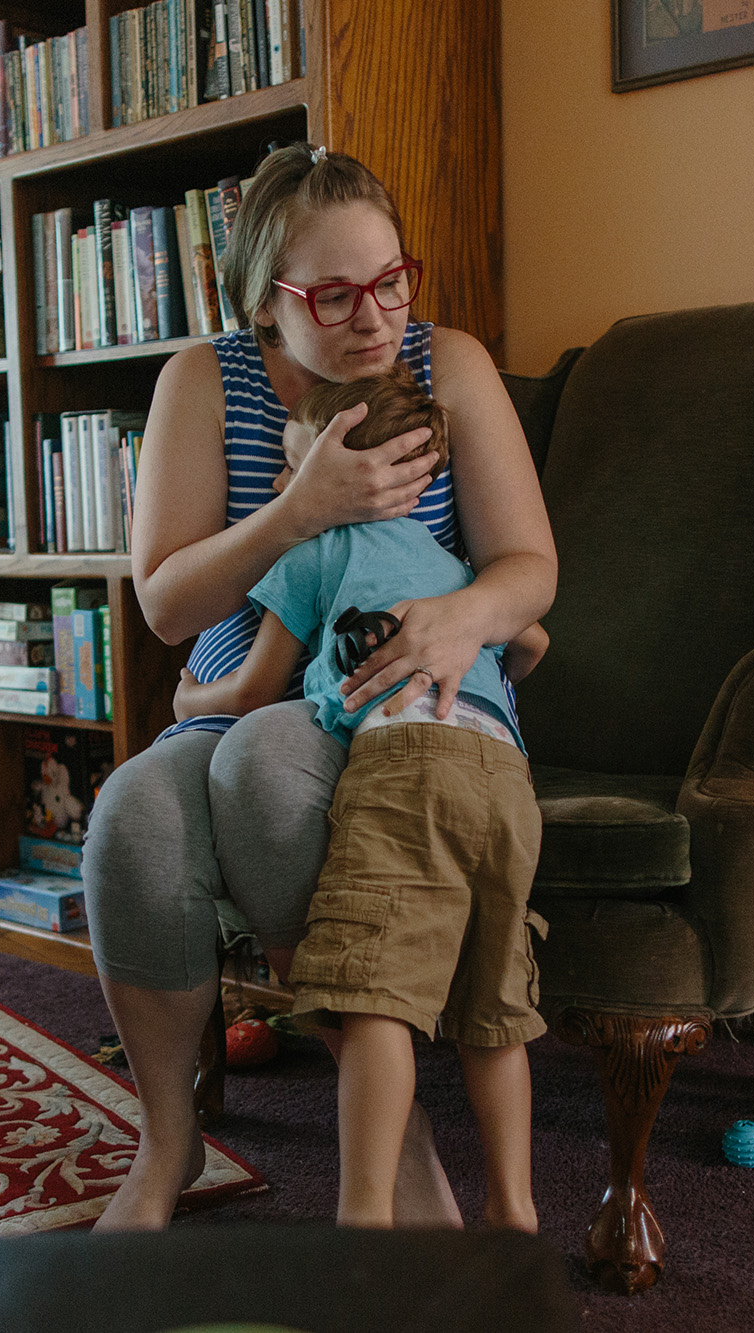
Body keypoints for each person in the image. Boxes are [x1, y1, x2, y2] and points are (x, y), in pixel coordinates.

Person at [82, 142, 557, 1231]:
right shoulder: (201, 382)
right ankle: (169, 1150)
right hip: (246, 691)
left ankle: (380, 1114)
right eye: (332, 295)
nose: (373, 316)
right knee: (132, 820)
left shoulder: (453, 365)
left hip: (407, 707)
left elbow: (529, 565)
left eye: (390, 281)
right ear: (263, 304)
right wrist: (298, 509)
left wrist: (457, 620)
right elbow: (164, 606)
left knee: (262, 761)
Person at [171, 369, 547, 1229]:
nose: (281, 488)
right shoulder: (453, 563)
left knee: (372, 993)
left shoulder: (314, 552)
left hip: (407, 765)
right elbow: (531, 641)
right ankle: (514, 1210)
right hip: (503, 773)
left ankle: (367, 1218)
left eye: (298, 470)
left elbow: (253, 692)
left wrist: (190, 697)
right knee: (495, 1006)